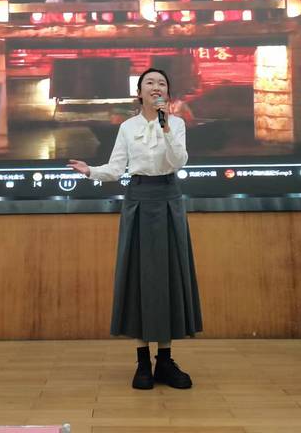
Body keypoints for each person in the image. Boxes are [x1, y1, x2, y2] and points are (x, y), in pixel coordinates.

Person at [68, 68, 203, 390]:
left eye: (162, 84)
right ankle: (143, 361)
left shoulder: (176, 124)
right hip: (139, 199)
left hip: (169, 198)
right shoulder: (127, 127)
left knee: (169, 275)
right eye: (150, 83)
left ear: (167, 93)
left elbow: (179, 161)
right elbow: (116, 169)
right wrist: (90, 171)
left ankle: (165, 361)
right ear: (139, 92)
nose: (156, 87)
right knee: (140, 276)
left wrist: (166, 127)